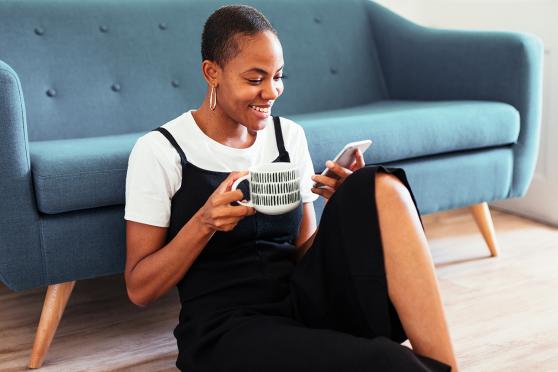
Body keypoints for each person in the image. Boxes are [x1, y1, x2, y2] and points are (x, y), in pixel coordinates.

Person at [124, 4, 459, 371]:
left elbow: (302, 254)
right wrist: (204, 223)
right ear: (212, 73)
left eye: (278, 76)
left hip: (300, 303)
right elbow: (139, 289)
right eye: (255, 79)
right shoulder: (161, 150)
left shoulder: (288, 136)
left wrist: (343, 211)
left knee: (378, 186)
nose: (271, 92)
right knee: (389, 361)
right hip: (227, 329)